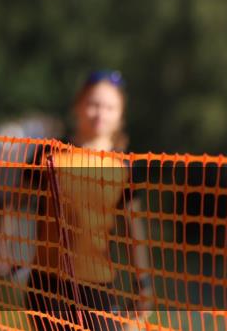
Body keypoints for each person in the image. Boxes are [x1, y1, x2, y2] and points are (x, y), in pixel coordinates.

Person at [24, 70, 152, 331]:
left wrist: (144, 285)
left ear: (120, 114)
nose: (100, 114)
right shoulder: (49, 154)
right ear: (79, 106)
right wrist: (5, 249)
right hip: (46, 285)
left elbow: (133, 230)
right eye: (93, 104)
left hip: (96, 285)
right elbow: (18, 202)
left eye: (109, 107)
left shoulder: (124, 166)